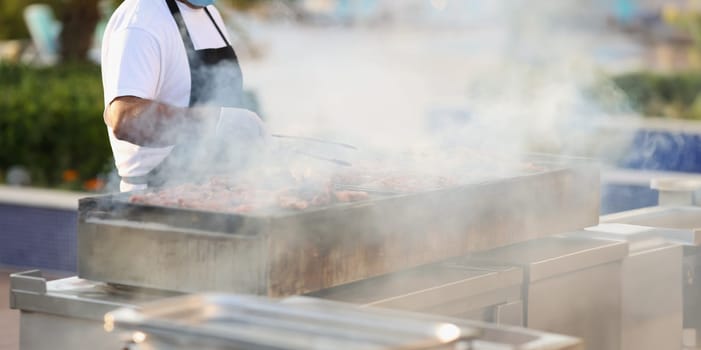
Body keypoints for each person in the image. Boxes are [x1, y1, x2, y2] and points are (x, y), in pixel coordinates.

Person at [101, 0, 268, 192]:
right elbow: (125, 118)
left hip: (216, 192)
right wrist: (214, 122)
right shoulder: (140, 22)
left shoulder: (210, 13)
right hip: (157, 197)